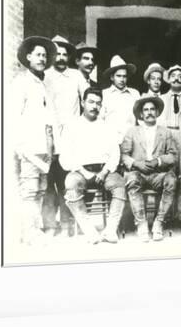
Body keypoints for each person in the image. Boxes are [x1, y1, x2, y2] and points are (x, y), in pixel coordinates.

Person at [59, 88, 127, 244]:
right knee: (71, 183)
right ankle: (89, 231)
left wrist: (104, 172)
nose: (94, 106)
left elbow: (114, 153)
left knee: (120, 184)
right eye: (90, 102)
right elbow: (66, 155)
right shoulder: (71, 126)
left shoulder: (107, 126)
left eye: (98, 103)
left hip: (104, 170)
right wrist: (83, 171)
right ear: (83, 103)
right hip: (80, 170)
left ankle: (110, 230)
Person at [10, 36, 58, 244]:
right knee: (29, 190)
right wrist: (20, 146)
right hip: (29, 146)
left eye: (44, 55)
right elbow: (13, 117)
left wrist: (52, 147)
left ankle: (34, 229)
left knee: (40, 189)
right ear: (28, 57)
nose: (41, 58)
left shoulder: (44, 83)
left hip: (44, 147)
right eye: (38, 54)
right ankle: (28, 232)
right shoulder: (21, 83)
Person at [43, 35, 88, 237]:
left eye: (64, 54)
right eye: (57, 53)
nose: (61, 57)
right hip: (49, 135)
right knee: (47, 181)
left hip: (71, 135)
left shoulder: (76, 76)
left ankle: (68, 225)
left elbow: (88, 98)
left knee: (66, 180)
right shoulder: (44, 76)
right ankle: (50, 225)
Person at [121, 97, 178, 241]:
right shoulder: (132, 131)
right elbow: (124, 156)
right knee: (132, 179)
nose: (149, 112)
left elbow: (173, 156)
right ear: (141, 114)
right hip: (138, 173)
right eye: (146, 110)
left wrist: (158, 161)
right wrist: (136, 163)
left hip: (158, 175)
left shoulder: (165, 132)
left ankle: (159, 222)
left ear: (157, 112)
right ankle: (141, 224)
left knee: (171, 179)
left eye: (152, 109)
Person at [100, 55, 141, 144]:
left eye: (124, 76)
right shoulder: (104, 94)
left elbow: (140, 119)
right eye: (118, 76)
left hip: (131, 142)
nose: (122, 79)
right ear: (112, 77)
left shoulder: (134, 94)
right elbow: (100, 120)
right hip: (111, 142)